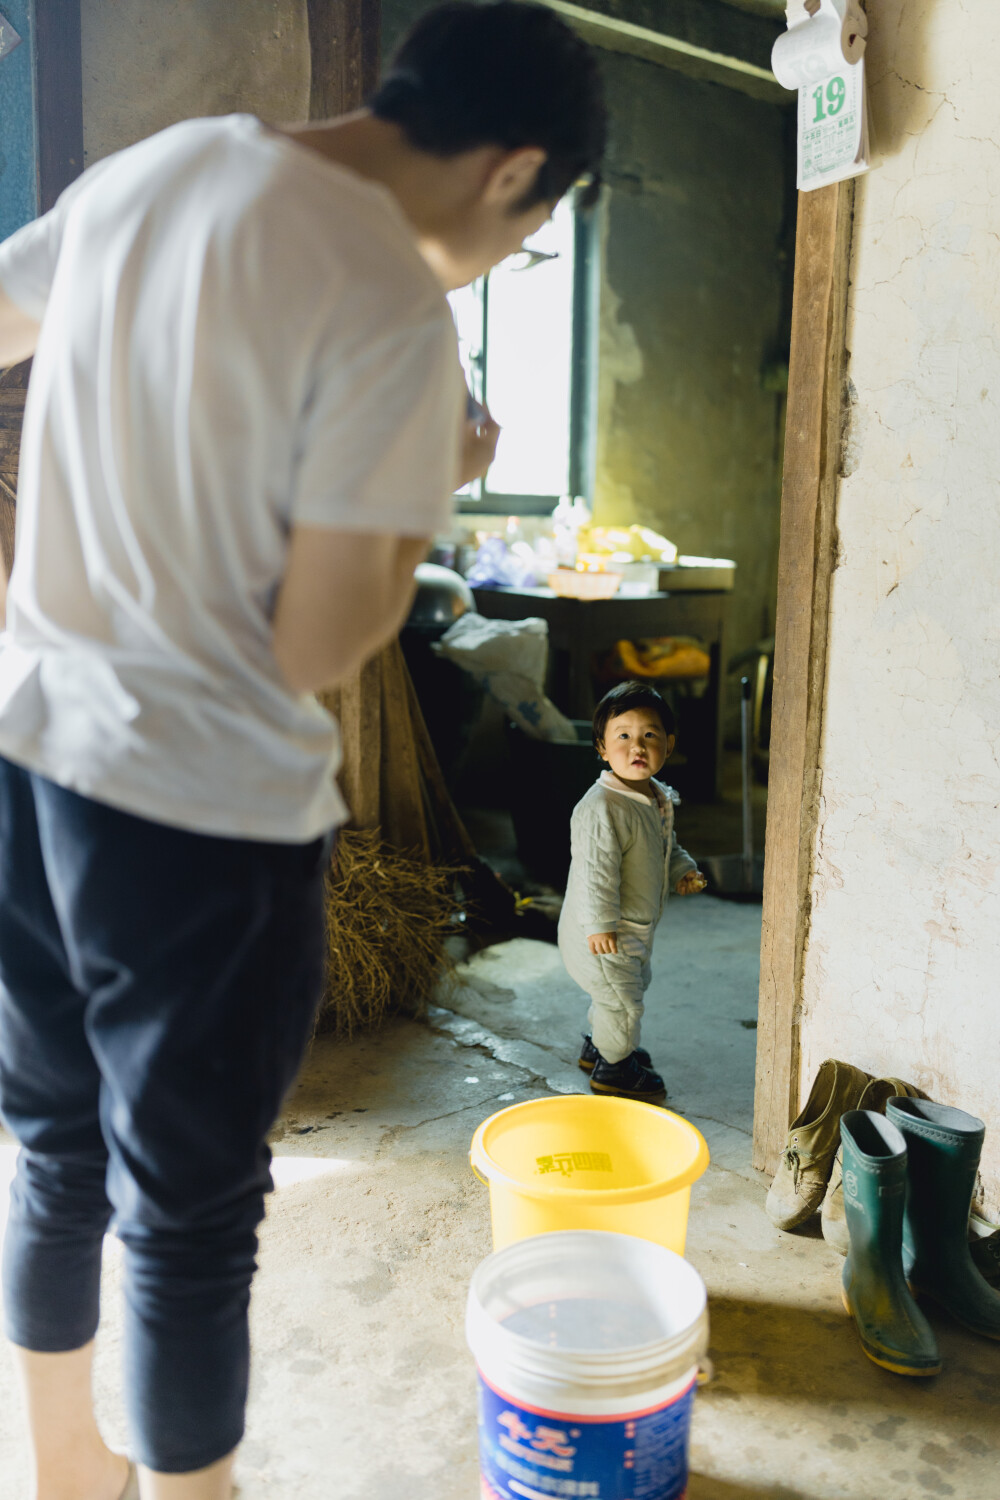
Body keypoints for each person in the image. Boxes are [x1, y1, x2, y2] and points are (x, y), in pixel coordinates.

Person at [0, 4, 607, 1497]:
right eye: (530, 232)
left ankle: (67, 1464)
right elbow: (320, 641)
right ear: (512, 166)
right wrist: (430, 488)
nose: (500, 260)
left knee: (56, 1147)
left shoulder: (164, 170)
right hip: (194, 817)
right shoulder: (392, 316)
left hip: (29, 758)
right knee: (193, 1213)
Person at [558, 681, 707, 1102]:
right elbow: (594, 873)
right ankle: (614, 1069)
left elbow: (664, 845)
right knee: (623, 1002)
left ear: (669, 744)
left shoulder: (654, 797)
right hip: (605, 934)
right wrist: (600, 926)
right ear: (602, 748)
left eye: (650, 735)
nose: (636, 745)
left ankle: (600, 1044)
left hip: (631, 929)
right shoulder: (601, 808)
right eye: (622, 735)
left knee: (619, 993)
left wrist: (682, 869)